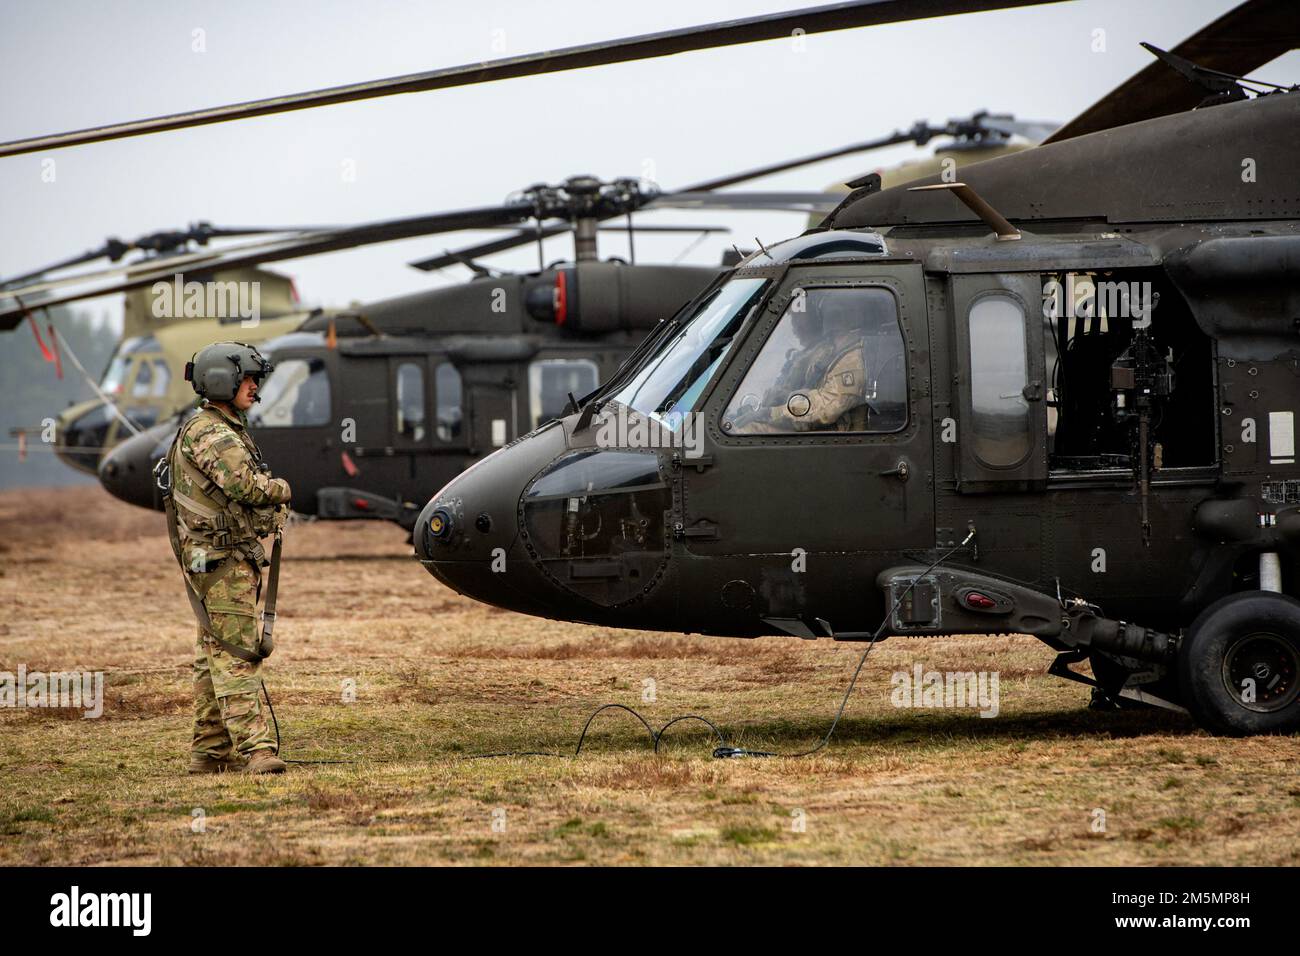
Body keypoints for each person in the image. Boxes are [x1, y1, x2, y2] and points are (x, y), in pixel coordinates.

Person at [160, 342, 291, 775]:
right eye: (249, 380)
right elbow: (246, 487)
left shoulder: (213, 426)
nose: (255, 387)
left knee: (212, 653)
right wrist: (280, 488)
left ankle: (210, 752)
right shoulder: (213, 432)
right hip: (223, 561)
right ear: (224, 381)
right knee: (237, 652)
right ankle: (257, 751)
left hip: (212, 560)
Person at [732, 293, 871, 434]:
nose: (831, 316)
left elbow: (826, 408)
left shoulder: (853, 359)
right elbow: (808, 388)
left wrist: (771, 413)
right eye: (829, 311)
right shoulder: (828, 350)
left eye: (837, 312)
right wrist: (781, 397)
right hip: (813, 426)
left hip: (833, 436)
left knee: (749, 431)